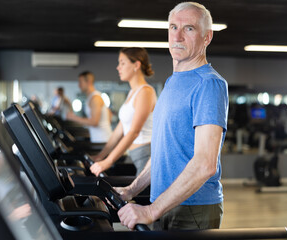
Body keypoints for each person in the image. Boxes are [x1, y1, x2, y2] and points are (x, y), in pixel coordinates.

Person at [116, 2, 229, 231]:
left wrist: (150, 210)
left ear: (207, 37)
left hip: (192, 208)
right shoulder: (171, 82)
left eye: (189, 28)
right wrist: (132, 190)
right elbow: (161, 152)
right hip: (164, 202)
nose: (177, 35)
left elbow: (205, 163)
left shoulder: (209, 84)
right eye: (172, 27)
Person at [90, 47, 157, 177]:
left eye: (122, 63)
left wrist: (108, 161)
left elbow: (134, 131)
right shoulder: (133, 92)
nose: (118, 67)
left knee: (141, 196)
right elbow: (119, 130)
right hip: (137, 155)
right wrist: (101, 156)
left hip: (146, 155)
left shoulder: (145, 92)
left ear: (136, 65)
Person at [67, 71, 112, 143]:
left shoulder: (95, 98)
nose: (79, 85)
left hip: (103, 140)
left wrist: (73, 118)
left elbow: (94, 122)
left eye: (81, 82)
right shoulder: (91, 97)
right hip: (98, 139)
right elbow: (110, 115)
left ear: (89, 82)